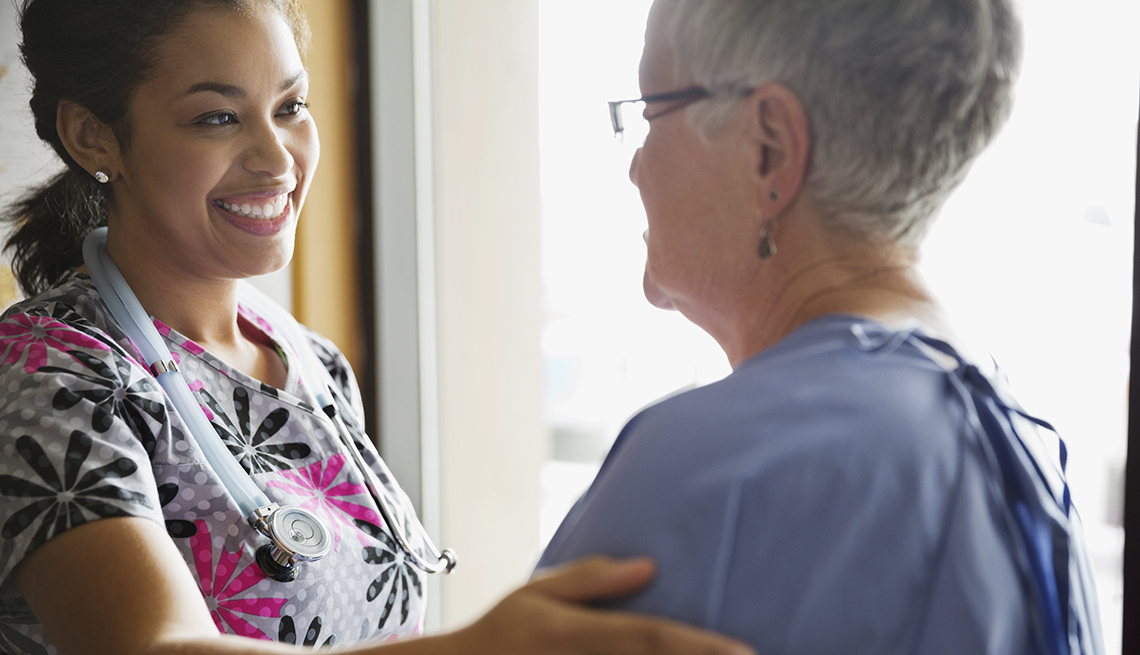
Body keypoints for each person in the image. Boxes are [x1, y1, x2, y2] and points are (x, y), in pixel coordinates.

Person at [0, 2, 760, 655]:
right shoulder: (43, 371)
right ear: (94, 136)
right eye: (217, 118)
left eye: (291, 107)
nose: (276, 157)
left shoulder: (311, 366)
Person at [538, 1, 1104, 654]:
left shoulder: (712, 467)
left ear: (769, 148)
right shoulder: (1024, 454)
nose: (635, 165)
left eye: (647, 111)